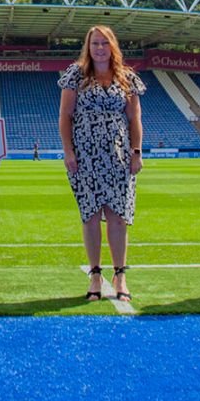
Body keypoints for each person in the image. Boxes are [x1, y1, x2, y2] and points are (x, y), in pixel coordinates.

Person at [58, 25, 145, 301]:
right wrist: (68, 151)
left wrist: (136, 152)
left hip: (118, 156)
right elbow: (65, 116)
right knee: (91, 216)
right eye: (94, 43)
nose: (99, 48)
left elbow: (135, 119)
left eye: (104, 43)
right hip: (85, 156)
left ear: (112, 47)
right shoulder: (76, 75)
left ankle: (120, 275)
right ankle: (95, 274)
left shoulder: (127, 78)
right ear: (88, 47)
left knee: (118, 217)